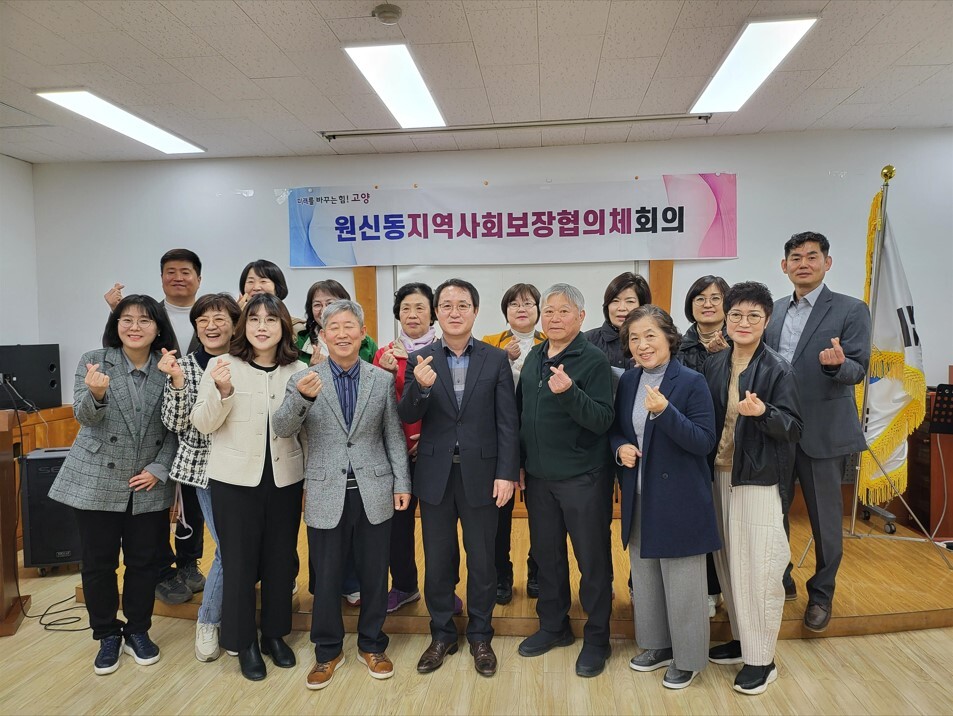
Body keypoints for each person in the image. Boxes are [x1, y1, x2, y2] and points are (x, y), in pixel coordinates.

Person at [273, 299, 412, 691]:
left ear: (363, 334)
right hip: (324, 490)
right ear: (322, 335)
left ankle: (372, 644)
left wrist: (402, 483)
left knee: (374, 574)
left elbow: (392, 435)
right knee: (327, 576)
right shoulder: (304, 378)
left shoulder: (380, 379)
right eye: (333, 327)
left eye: (350, 326)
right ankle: (327, 650)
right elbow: (282, 428)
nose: (342, 333)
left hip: (374, 489)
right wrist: (302, 399)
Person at [48, 295, 178, 676]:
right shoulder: (95, 360)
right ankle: (106, 633)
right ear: (116, 324)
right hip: (97, 478)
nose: (134, 327)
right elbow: (83, 417)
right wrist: (97, 394)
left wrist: (160, 467)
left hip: (147, 482)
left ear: (158, 327)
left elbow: (178, 424)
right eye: (127, 319)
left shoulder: (169, 365)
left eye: (144, 320)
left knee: (144, 562)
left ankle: (138, 630)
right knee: (98, 563)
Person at [398, 278, 519, 678]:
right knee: (438, 560)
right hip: (435, 474)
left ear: (475, 311)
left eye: (462, 305)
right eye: (446, 305)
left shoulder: (495, 359)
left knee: (482, 559)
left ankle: (481, 636)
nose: (454, 312)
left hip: (482, 474)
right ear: (437, 312)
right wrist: (421, 388)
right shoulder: (421, 358)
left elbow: (507, 422)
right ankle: (442, 634)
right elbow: (407, 414)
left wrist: (506, 473)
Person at [191, 293, 305, 682]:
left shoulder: (298, 370)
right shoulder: (222, 365)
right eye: (254, 319)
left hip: (286, 478)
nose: (261, 326)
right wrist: (223, 392)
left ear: (283, 328)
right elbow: (202, 423)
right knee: (238, 562)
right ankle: (243, 642)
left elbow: (307, 429)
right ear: (243, 326)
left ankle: (274, 635)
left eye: (270, 320)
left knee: (279, 560)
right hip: (234, 481)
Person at [764, 231, 870, 632]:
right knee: (772, 514)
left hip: (823, 433)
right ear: (784, 266)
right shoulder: (772, 311)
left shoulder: (850, 309)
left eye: (812, 256)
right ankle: (782, 576)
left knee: (826, 522)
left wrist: (836, 365)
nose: (803, 263)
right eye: (796, 257)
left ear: (827, 263)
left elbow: (857, 369)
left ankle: (822, 594)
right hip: (776, 430)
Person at [610, 306, 719, 690]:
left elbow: (704, 441)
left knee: (684, 584)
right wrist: (620, 448)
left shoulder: (691, 381)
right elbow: (617, 430)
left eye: (650, 336)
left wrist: (665, 412)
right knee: (646, 577)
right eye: (634, 338)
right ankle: (657, 646)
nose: (642, 345)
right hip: (640, 495)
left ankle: (688, 659)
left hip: (680, 500)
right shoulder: (628, 381)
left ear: (669, 338)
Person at [703, 281, 802, 695]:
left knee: (759, 568)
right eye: (737, 315)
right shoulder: (715, 363)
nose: (744, 322)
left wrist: (763, 413)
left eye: (753, 316)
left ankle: (763, 660)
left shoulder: (778, 368)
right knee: (727, 562)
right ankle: (744, 640)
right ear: (726, 318)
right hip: (719, 472)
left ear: (767, 320)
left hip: (758, 478)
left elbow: (794, 428)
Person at [517, 283, 615, 678]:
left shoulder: (593, 361)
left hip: (583, 478)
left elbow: (602, 420)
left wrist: (570, 392)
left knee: (592, 560)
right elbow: (522, 415)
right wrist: (520, 463)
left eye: (563, 311)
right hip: (539, 478)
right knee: (547, 557)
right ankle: (554, 626)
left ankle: (598, 638)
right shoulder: (534, 356)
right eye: (549, 311)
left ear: (581, 317)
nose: (554, 318)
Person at [105, 249, 206, 607]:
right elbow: (121, 346)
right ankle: (163, 569)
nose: (178, 277)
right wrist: (114, 311)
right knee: (154, 500)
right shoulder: (150, 314)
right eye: (170, 271)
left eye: (185, 271)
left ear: (198, 278)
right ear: (161, 277)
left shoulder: (207, 314)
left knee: (192, 498)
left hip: (197, 423)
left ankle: (189, 562)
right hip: (151, 424)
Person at [157, 293, 241, 663]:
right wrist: (177, 382)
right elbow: (175, 424)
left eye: (219, 318)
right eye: (203, 320)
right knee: (227, 546)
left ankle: (235, 616)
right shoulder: (184, 366)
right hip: (206, 470)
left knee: (241, 545)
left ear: (234, 325)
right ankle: (208, 621)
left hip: (246, 467)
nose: (211, 326)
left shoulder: (246, 362)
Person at [373, 283, 436, 614]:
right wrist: (383, 373)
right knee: (398, 525)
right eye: (406, 308)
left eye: (420, 307)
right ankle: (404, 585)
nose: (412, 314)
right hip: (396, 453)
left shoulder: (445, 351)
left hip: (436, 449)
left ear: (433, 313)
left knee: (440, 526)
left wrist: (430, 436)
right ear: (397, 314)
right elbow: (377, 409)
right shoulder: (383, 354)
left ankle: (442, 590)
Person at [482, 283, 546, 604]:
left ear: (538, 310)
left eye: (528, 303)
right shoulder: (489, 343)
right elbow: (481, 388)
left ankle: (537, 571)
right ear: (505, 311)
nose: (521, 309)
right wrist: (501, 358)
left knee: (543, 513)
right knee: (499, 515)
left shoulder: (550, 342)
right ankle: (501, 574)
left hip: (540, 440)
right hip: (499, 440)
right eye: (514, 304)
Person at [676, 275, 731, 618]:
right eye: (700, 298)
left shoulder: (742, 341)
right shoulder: (678, 346)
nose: (707, 304)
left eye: (715, 298)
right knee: (699, 519)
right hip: (691, 443)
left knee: (727, 522)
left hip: (730, 446)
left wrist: (724, 358)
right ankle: (703, 589)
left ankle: (725, 589)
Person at [297, 279, 378, 366]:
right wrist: (311, 368)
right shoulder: (300, 345)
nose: (324, 310)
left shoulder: (367, 343)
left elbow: (376, 373)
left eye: (330, 303)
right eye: (317, 305)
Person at [585, 271, 651, 374]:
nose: (621, 308)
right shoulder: (587, 341)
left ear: (642, 306)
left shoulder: (656, 342)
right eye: (615, 301)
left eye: (630, 301)